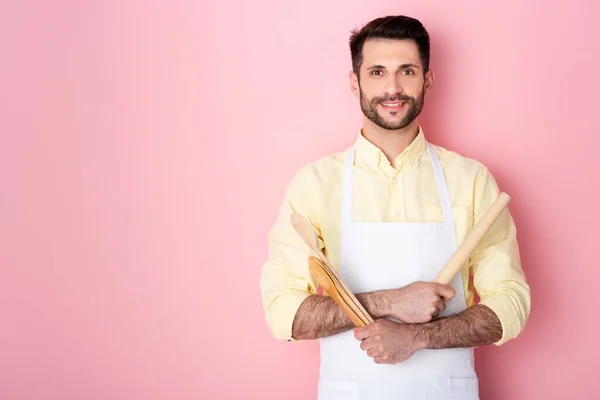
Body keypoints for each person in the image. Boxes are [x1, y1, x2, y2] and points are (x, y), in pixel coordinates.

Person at [259, 14, 530, 400]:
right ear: (355, 83)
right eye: (376, 72)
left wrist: (415, 337)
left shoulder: (470, 180)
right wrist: (392, 301)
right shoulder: (314, 185)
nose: (392, 88)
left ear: (428, 80)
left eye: (406, 71)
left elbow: (511, 302)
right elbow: (283, 313)